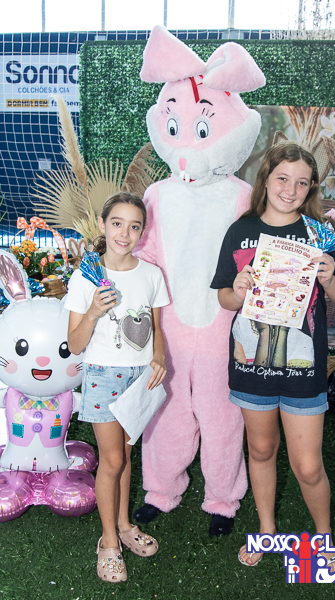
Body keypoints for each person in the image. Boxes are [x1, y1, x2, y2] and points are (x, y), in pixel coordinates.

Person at [211, 142, 335, 570]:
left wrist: (330, 278)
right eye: (282, 178)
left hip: (303, 371)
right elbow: (223, 297)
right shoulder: (240, 231)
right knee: (260, 451)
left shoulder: (320, 234)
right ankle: (266, 530)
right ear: (266, 179)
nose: (290, 190)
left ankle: (324, 537)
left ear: (311, 188)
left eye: (301, 182)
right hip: (251, 368)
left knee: (308, 466)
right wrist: (237, 290)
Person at [65, 192, 170, 583]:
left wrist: (159, 358)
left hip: (140, 379)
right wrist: (94, 310)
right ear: (103, 225)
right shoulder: (85, 278)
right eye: (117, 223)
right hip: (104, 376)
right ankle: (108, 541)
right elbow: (75, 344)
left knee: (125, 456)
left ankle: (124, 526)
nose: (125, 233)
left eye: (134, 226)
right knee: (111, 462)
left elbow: (156, 329)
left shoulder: (151, 274)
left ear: (143, 231)